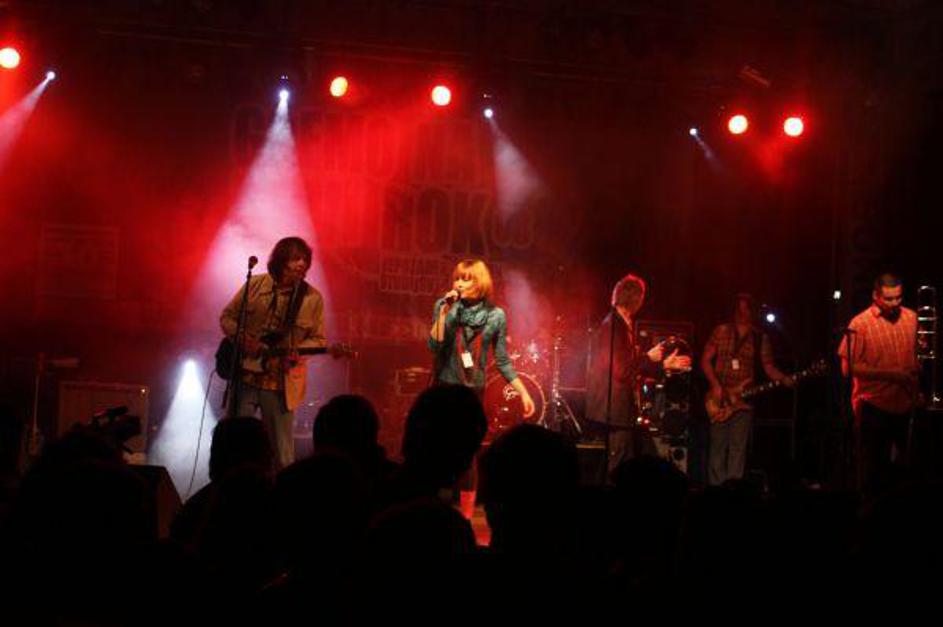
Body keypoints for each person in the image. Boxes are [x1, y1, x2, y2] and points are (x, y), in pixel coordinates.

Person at [220, 236, 326, 468]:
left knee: (283, 455)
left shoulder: (312, 298)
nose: (302, 264)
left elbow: (318, 339)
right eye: (296, 258)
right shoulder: (255, 285)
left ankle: (283, 489)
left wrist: (298, 352)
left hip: (280, 384)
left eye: (305, 260)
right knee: (234, 448)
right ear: (281, 259)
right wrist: (244, 340)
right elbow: (227, 316)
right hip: (245, 378)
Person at [585, 273, 691, 474]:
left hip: (619, 412)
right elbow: (622, 370)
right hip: (614, 411)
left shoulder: (620, 324)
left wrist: (662, 364)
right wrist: (649, 358)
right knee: (617, 467)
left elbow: (628, 364)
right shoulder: (614, 327)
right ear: (636, 298)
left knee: (625, 461)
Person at [837, 273, 918, 495]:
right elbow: (847, 368)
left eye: (898, 298)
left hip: (907, 403)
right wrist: (891, 375)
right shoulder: (860, 323)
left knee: (909, 472)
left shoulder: (912, 318)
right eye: (889, 299)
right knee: (873, 472)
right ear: (875, 296)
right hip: (874, 405)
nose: (895, 303)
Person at [701, 293, 794, 485]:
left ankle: (733, 493)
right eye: (739, 308)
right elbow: (705, 360)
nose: (742, 313)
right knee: (717, 448)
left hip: (743, 401)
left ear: (752, 312)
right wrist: (715, 385)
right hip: (719, 398)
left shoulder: (760, 338)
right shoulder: (720, 331)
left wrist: (783, 378)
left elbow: (768, 367)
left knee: (738, 450)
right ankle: (715, 493)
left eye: (746, 309)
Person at [428, 259, 535, 418]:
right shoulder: (444, 306)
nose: (459, 284)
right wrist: (443, 313)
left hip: (474, 391)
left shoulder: (496, 315)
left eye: (466, 279)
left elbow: (502, 361)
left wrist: (523, 393)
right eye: (457, 279)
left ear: (480, 283)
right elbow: (433, 346)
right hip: (445, 388)